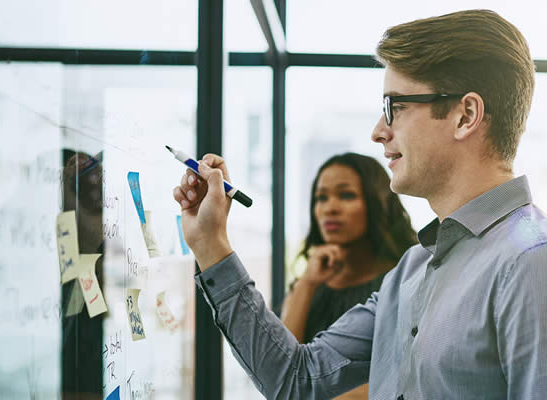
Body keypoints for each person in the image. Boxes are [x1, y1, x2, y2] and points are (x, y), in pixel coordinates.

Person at [173, 9, 547, 400]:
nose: (378, 132)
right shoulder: (412, 270)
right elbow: (295, 379)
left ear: (465, 116)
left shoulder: (531, 262)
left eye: (395, 107)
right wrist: (210, 245)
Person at [280, 153, 417, 399]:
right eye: (321, 198)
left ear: (377, 203)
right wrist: (307, 284)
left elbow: (408, 376)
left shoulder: (404, 278)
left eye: (346, 195)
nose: (330, 208)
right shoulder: (308, 283)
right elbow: (280, 370)